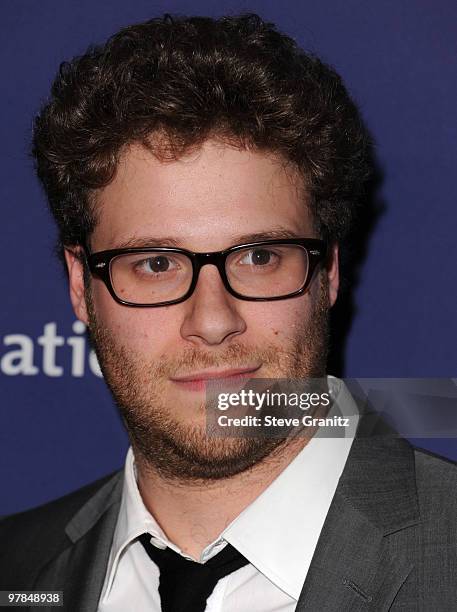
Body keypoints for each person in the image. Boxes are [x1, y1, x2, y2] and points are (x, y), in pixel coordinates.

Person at [1, 13, 456, 612]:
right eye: (156, 264)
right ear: (81, 287)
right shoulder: (16, 566)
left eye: (260, 256)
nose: (213, 321)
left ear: (329, 274)